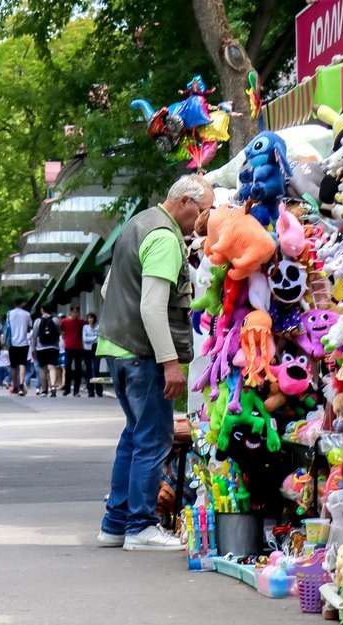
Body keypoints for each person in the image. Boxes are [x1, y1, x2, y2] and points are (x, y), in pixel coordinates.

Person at [96, 175, 210, 550]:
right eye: (203, 209)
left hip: (117, 348)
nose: (204, 217)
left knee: (134, 434)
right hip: (143, 355)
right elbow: (152, 305)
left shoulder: (137, 224)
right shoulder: (164, 238)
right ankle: (141, 526)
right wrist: (170, 362)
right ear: (184, 203)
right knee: (153, 439)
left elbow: (107, 288)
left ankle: (115, 523)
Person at [32, 305, 61, 398]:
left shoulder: (37, 321)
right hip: (53, 347)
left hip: (41, 348)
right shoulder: (55, 320)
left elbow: (34, 336)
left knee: (43, 368)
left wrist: (33, 348)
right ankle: (53, 387)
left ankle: (44, 390)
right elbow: (59, 332)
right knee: (52, 367)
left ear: (42, 310)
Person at [5, 299, 32, 396]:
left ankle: (14, 385)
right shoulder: (27, 314)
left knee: (13, 366)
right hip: (24, 342)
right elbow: (30, 325)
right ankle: (21, 385)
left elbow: (7, 327)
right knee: (22, 364)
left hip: (12, 343)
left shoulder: (9, 313)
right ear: (22, 303)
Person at [60, 305, 87, 397]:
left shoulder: (81, 322)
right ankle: (67, 389)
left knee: (78, 369)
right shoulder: (65, 322)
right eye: (74, 312)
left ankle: (76, 390)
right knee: (67, 367)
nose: (76, 314)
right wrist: (64, 336)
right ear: (71, 312)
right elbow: (61, 330)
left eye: (77, 312)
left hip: (79, 347)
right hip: (68, 347)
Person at [83, 312, 101, 398]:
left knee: (96, 370)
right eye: (89, 318)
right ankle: (90, 391)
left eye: (92, 318)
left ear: (94, 319)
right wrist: (94, 338)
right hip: (87, 350)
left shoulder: (98, 327)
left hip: (96, 349)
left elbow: (99, 338)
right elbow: (85, 339)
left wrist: (92, 339)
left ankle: (99, 390)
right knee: (88, 370)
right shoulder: (85, 327)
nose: (90, 319)